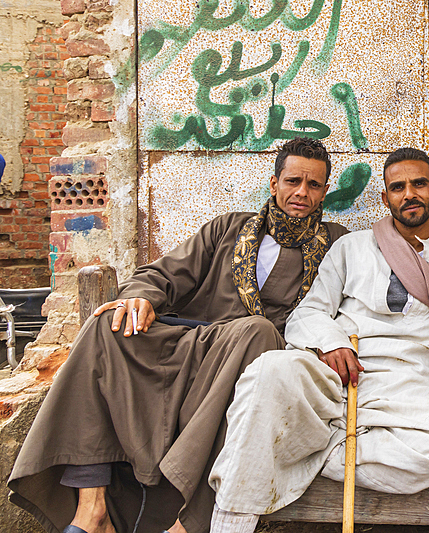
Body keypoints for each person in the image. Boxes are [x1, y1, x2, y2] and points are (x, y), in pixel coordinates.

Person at [9, 137, 349, 533]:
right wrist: (139, 297)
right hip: (194, 344)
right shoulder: (230, 228)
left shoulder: (337, 244)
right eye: (293, 181)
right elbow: (164, 273)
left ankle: (185, 522)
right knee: (107, 323)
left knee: (258, 334)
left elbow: (346, 309)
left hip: (258, 360)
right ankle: (92, 511)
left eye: (313, 185)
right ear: (274, 184)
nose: (301, 193)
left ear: (325, 191)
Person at [207, 147, 429, 531]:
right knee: (269, 371)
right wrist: (332, 342)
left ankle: (316, 449)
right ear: (385, 198)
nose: (410, 194)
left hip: (409, 382)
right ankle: (229, 523)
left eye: (419, 184)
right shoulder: (351, 247)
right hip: (340, 372)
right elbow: (309, 312)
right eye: (398, 187)